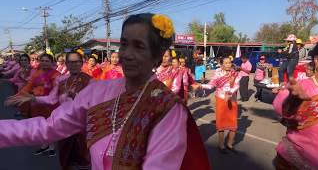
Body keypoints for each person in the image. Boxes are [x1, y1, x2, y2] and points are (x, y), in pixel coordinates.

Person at [0, 13, 210, 170]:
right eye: (124, 44)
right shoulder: (97, 91)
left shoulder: (168, 109)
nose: (126, 54)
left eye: (138, 46)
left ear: (157, 55)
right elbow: (49, 127)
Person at [7, 52, 92, 170]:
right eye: (70, 62)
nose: (73, 64)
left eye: (76, 61)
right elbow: (52, 99)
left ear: (81, 63)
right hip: (64, 125)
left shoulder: (90, 81)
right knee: (66, 160)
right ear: (66, 64)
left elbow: (93, 102)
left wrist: (77, 96)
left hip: (82, 127)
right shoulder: (61, 80)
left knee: (83, 160)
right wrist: (32, 98)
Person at [272, 41, 318, 169]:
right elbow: (281, 110)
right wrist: (292, 102)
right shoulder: (301, 87)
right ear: (317, 60)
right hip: (293, 162)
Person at [5, 53, 61, 156]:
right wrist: (16, 97)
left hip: (50, 105)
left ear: (51, 62)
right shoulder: (36, 73)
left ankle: (51, 146)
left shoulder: (56, 75)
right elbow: (28, 86)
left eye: (47, 61)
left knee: (49, 126)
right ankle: (44, 145)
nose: (44, 63)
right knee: (39, 125)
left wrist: (34, 97)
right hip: (36, 104)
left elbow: (54, 95)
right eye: (42, 61)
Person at [193, 56, 241, 154]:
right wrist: (200, 85)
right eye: (226, 63)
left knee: (233, 123)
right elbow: (211, 86)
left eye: (229, 62)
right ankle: (221, 145)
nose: (228, 64)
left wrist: (230, 92)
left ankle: (230, 144)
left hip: (232, 99)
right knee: (221, 123)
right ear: (222, 65)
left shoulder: (234, 73)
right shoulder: (217, 74)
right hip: (221, 99)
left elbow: (237, 85)